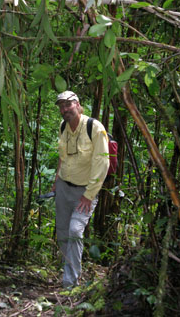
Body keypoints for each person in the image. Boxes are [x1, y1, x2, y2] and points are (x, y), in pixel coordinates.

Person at [52, 90, 110, 288]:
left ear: (77, 104)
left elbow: (103, 163)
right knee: (62, 232)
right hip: (63, 186)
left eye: (68, 104)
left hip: (85, 191)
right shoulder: (63, 127)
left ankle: (70, 283)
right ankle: (68, 271)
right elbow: (63, 156)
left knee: (75, 231)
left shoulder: (94, 128)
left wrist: (89, 195)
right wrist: (56, 180)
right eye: (61, 106)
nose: (64, 109)